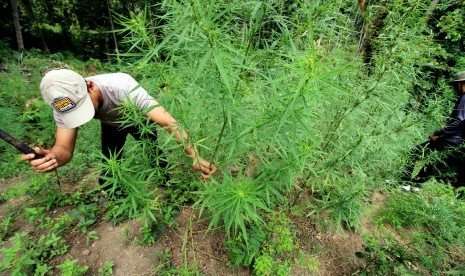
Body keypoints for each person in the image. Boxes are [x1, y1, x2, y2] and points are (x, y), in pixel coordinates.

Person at [21, 68, 217, 185]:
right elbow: (63, 148)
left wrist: (195, 155)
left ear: (90, 86)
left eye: (85, 107)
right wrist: (53, 158)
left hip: (139, 120)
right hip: (111, 124)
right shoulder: (63, 104)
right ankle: (117, 192)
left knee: (153, 154)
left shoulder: (122, 86)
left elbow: (168, 121)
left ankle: (165, 182)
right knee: (111, 162)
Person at [401, 71, 465, 187]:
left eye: (456, 85)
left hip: (448, 139)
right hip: (456, 141)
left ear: (462, 84)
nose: (455, 88)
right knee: (433, 163)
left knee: (414, 153)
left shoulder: (464, 98)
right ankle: (416, 186)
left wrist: (439, 133)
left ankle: (404, 182)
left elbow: (458, 121)